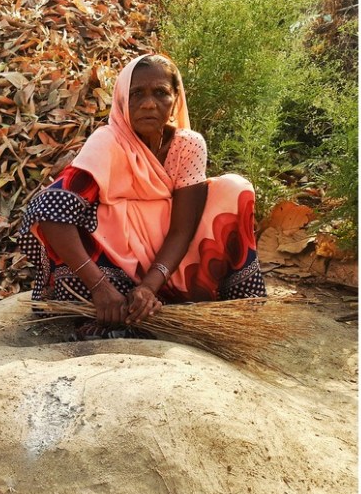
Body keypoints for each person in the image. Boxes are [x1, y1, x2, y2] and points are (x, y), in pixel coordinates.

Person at [16, 53, 265, 335]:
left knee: (235, 188)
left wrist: (149, 286)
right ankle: (117, 309)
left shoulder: (187, 145)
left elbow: (183, 229)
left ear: (175, 100)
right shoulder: (108, 142)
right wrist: (99, 287)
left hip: (171, 263)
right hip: (114, 266)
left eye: (161, 93)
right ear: (123, 100)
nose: (149, 104)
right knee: (80, 235)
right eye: (137, 94)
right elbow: (50, 210)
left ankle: (213, 302)